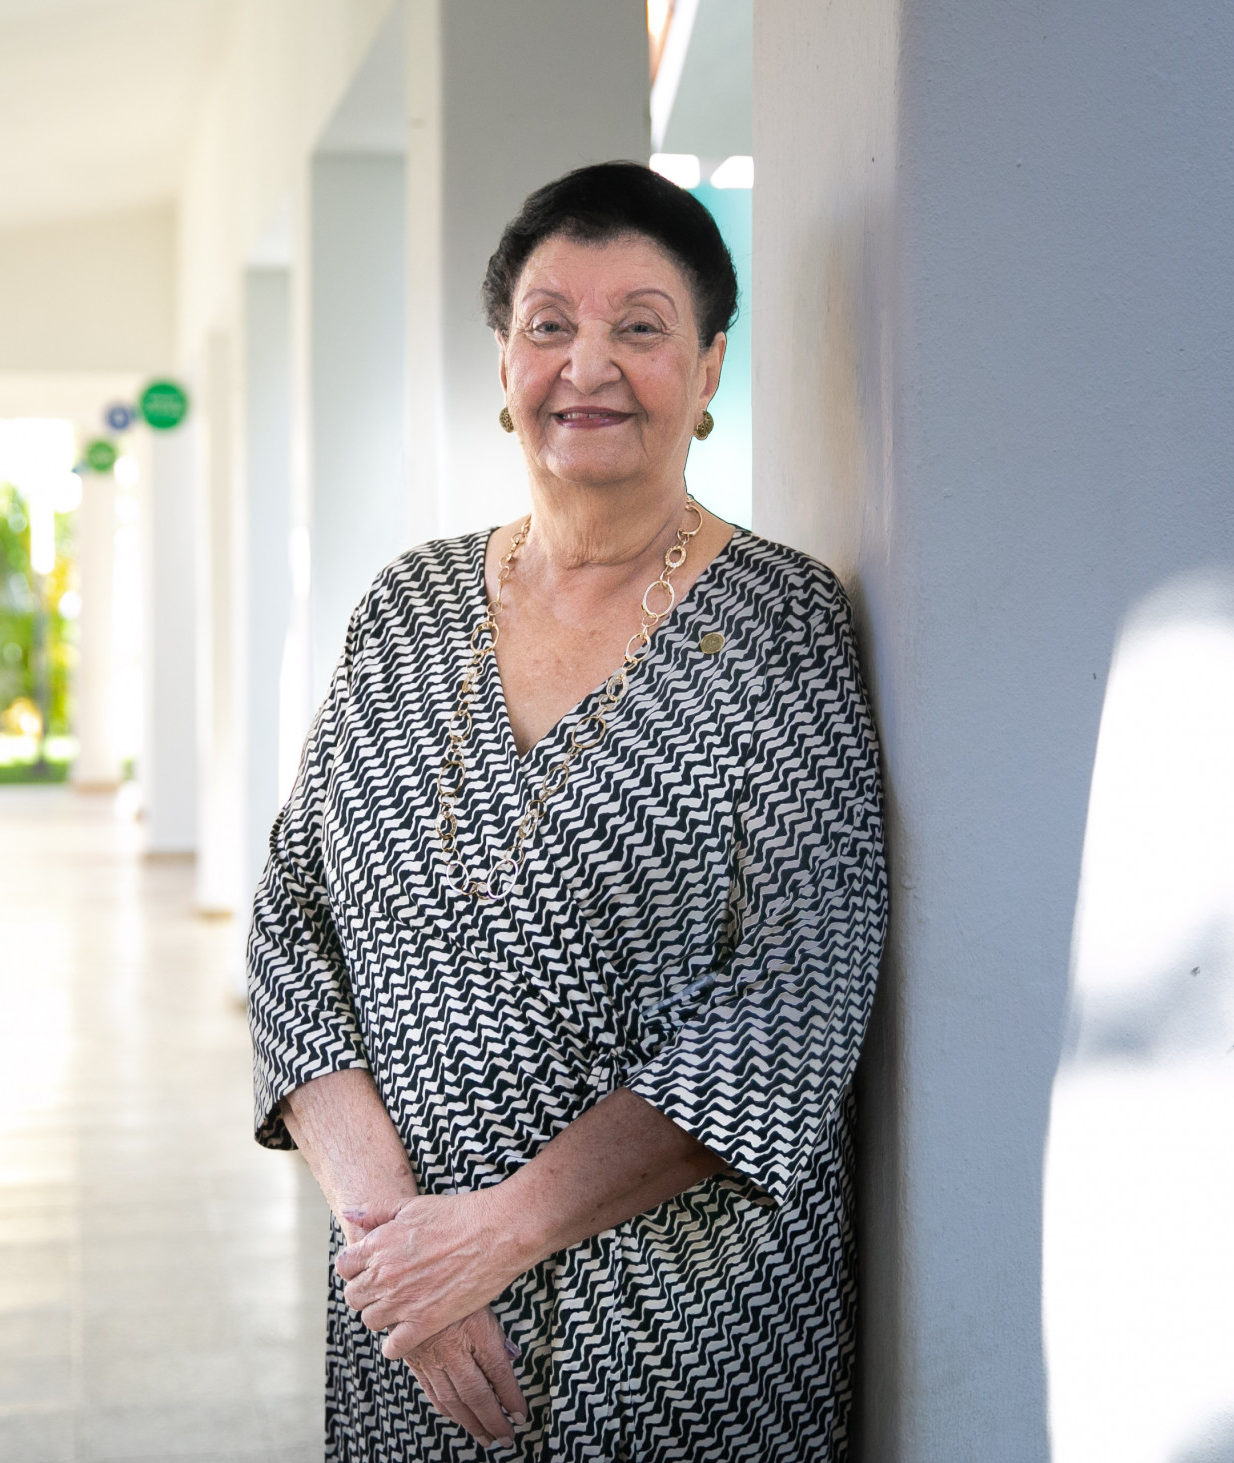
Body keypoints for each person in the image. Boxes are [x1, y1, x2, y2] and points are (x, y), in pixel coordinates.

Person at [246, 160, 887, 1460]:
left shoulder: (782, 626)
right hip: (415, 1326)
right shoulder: (405, 608)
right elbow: (291, 924)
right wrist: (393, 1238)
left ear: (708, 368)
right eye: (549, 325)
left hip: (683, 1335)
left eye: (640, 327)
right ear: (503, 361)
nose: (587, 365)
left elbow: (795, 995)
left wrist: (497, 1232)